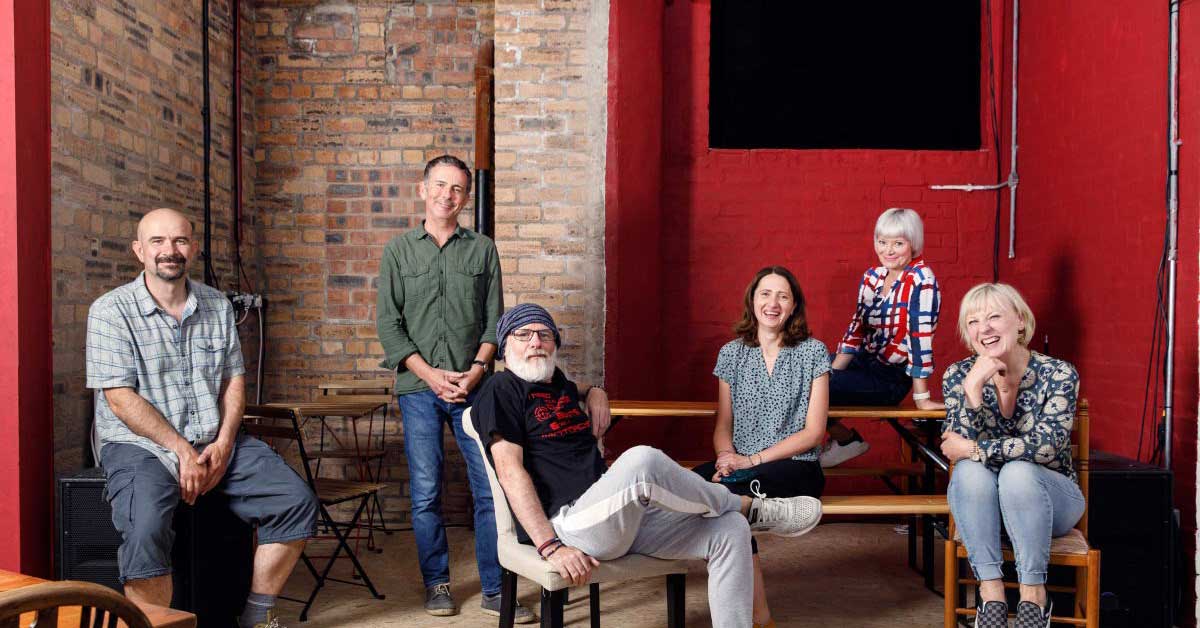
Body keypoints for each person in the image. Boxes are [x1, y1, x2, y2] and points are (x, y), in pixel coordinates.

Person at [472, 304, 823, 628]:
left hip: (614, 517)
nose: (536, 342)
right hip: (567, 525)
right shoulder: (500, 389)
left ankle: (739, 519)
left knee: (730, 531)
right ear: (504, 348)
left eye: (545, 335)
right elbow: (509, 471)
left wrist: (595, 390)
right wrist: (550, 546)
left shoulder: (556, 383)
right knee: (642, 459)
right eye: (523, 334)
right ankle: (746, 505)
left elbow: (575, 387)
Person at [86, 208, 317, 628]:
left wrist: (226, 442)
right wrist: (180, 452)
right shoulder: (110, 311)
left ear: (191, 247)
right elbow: (120, 398)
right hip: (142, 447)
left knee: (295, 501)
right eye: (157, 242)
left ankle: (256, 617)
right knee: (145, 531)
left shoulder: (216, 305)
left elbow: (233, 381)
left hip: (213, 438)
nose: (169, 251)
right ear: (140, 250)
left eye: (179, 241)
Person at [376, 155, 539, 620]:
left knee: (490, 490)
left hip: (474, 388)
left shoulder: (483, 250)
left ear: (466, 197)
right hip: (417, 389)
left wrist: (474, 371)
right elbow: (389, 325)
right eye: (440, 186)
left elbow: (495, 322)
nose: (448, 196)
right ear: (423, 190)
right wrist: (430, 375)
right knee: (426, 491)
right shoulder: (399, 251)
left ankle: (494, 589)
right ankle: (438, 584)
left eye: (458, 189)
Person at [940, 283, 1084, 628]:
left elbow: (1047, 446)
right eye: (973, 322)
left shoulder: (1059, 374)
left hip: (1052, 500)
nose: (984, 328)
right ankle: (992, 598)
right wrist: (973, 391)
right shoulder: (959, 376)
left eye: (994, 317)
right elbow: (954, 450)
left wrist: (976, 450)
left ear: (1020, 321)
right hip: (985, 505)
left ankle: (1034, 596)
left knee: (1017, 472)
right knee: (970, 474)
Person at [693, 266, 829, 628]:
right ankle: (761, 616)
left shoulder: (813, 352)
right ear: (752, 301)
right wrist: (725, 457)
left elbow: (815, 432)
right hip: (739, 468)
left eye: (783, 296)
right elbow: (723, 425)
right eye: (765, 294)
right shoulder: (731, 354)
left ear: (794, 305)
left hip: (795, 465)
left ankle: (756, 616)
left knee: (721, 500)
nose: (773, 303)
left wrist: (749, 459)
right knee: (690, 487)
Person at [822, 207, 944, 467]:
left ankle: (829, 446)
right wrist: (830, 373)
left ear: (913, 244)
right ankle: (845, 440)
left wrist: (921, 399)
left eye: (898, 243)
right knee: (804, 372)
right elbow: (856, 330)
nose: (888, 250)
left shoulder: (922, 279)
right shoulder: (872, 277)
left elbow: (919, 336)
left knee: (813, 386)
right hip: (863, 363)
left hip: (890, 379)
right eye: (882, 242)